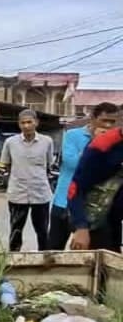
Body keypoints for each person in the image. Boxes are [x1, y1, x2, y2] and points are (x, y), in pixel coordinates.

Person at [49, 103, 119, 249]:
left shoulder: (114, 142)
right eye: (104, 120)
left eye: (112, 122)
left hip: (94, 206)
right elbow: (71, 163)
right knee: (54, 248)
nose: (107, 125)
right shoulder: (73, 135)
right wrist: (97, 143)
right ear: (93, 118)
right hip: (64, 201)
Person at [0, 109, 54, 251]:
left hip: (40, 194)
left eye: (29, 122)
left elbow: (49, 164)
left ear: (36, 122)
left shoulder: (47, 141)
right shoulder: (10, 142)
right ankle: (14, 262)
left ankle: (44, 262)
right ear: (19, 124)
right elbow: (5, 164)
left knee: (42, 231)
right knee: (16, 231)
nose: (26, 126)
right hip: (18, 194)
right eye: (23, 123)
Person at [69, 126, 123, 251]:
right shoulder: (103, 145)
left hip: (115, 221)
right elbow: (75, 188)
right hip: (94, 220)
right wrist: (81, 227)